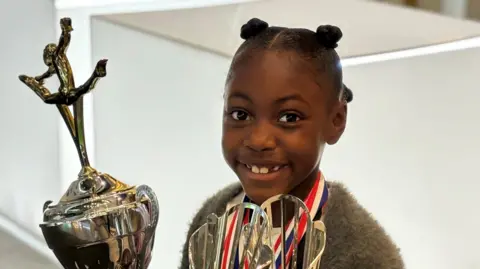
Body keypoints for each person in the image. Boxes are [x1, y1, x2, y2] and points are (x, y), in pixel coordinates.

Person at [179, 18, 404, 269]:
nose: (258, 140)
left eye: (289, 117)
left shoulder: (365, 256)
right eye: (241, 114)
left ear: (336, 120)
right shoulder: (213, 217)